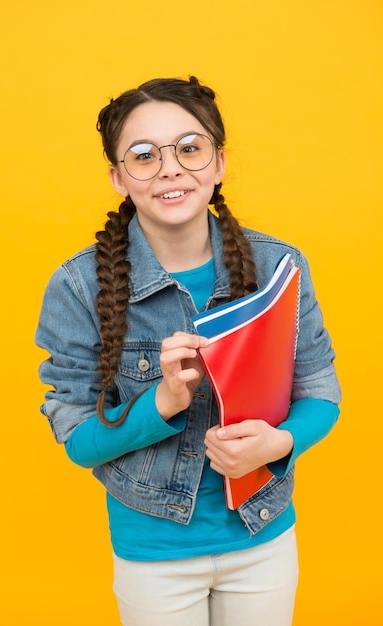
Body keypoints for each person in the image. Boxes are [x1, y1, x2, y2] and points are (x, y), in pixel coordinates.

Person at [35, 76, 341, 626]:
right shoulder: (78, 286)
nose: (170, 168)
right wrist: (163, 403)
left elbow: (321, 391)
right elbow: (78, 443)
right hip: (153, 555)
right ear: (118, 178)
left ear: (218, 163)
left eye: (190, 148)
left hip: (263, 538)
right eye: (144, 156)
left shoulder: (280, 267)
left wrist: (280, 441)